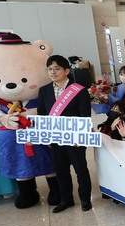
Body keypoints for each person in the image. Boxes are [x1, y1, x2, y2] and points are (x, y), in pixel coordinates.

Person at [37, 55, 93, 212]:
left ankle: (85, 200)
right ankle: (66, 200)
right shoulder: (44, 90)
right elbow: (42, 115)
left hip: (74, 138)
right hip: (55, 139)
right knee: (61, 171)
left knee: (80, 169)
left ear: (66, 70)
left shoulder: (78, 90)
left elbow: (85, 116)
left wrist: (78, 136)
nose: (52, 72)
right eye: (49, 69)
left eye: (56, 68)